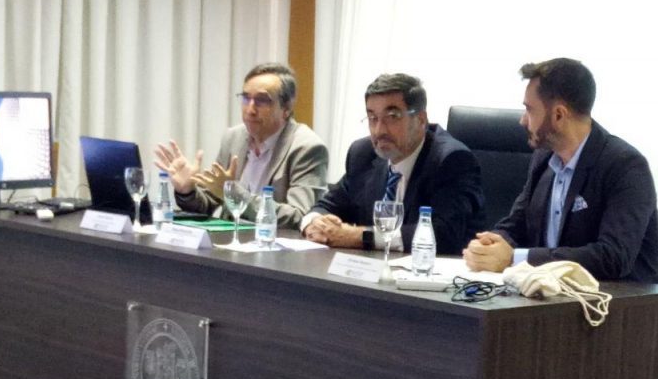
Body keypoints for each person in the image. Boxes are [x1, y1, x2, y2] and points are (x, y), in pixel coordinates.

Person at [463, 58, 658, 282]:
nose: (522, 121)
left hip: (618, 299)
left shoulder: (626, 166)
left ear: (558, 115)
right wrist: (491, 244)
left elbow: (613, 257)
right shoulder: (544, 158)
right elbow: (517, 224)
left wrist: (515, 258)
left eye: (529, 110)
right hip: (552, 295)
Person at [302, 73, 484, 254]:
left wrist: (359, 237)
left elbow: (442, 234)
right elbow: (327, 205)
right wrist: (314, 223)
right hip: (372, 268)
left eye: (392, 117)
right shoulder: (363, 154)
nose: (379, 130)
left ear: (421, 120)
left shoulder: (450, 160)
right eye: (372, 118)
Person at [155, 63, 328, 229]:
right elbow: (208, 203)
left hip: (271, 245)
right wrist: (187, 191)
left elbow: (300, 217)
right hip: (230, 240)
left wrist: (234, 194)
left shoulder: (307, 148)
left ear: (287, 108)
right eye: (246, 98)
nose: (250, 109)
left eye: (262, 100)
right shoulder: (233, 137)